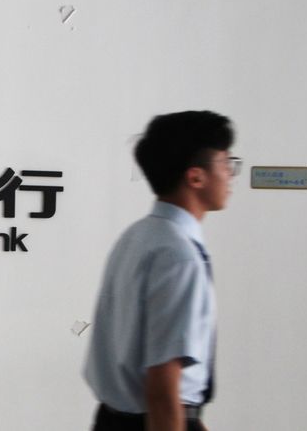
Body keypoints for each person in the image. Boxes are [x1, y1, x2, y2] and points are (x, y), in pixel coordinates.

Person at [84, 111, 241, 431]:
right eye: (226, 163)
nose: (231, 174)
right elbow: (163, 389)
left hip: (114, 419)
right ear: (196, 177)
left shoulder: (137, 236)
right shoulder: (178, 256)